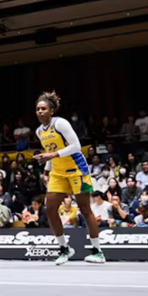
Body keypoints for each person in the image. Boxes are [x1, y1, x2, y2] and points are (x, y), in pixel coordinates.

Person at [33, 91, 105, 265]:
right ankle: (64, 248)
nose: (40, 111)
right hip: (57, 172)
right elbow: (51, 152)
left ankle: (97, 251)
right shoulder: (39, 131)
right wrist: (47, 170)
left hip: (76, 170)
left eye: (43, 109)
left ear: (51, 111)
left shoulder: (61, 123)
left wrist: (52, 156)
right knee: (50, 209)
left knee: (85, 209)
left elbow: (76, 146)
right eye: (37, 109)